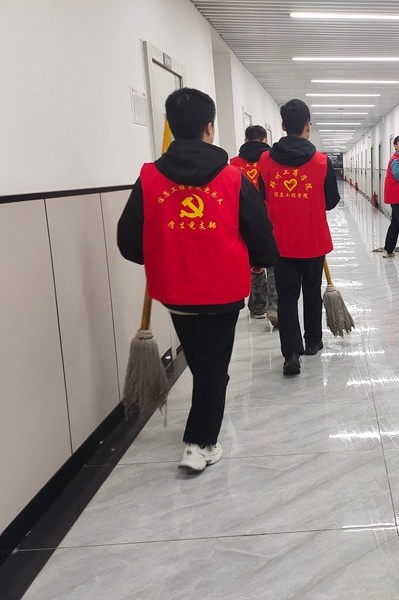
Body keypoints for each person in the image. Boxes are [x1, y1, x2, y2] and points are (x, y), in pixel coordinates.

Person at [117, 88, 278, 472]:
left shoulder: (150, 177)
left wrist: (161, 256)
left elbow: (128, 242)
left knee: (204, 361)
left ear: (172, 127)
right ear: (210, 127)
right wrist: (259, 261)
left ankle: (203, 429)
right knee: (212, 365)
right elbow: (260, 233)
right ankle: (199, 443)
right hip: (223, 290)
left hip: (175, 292)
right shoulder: (232, 178)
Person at [257, 99, 340, 375]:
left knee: (286, 298)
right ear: (308, 126)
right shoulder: (321, 161)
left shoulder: (265, 160)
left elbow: (262, 197)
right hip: (313, 240)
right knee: (312, 292)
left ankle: (291, 353)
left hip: (280, 242)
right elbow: (331, 201)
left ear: (282, 126)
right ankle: (313, 341)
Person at [230, 125, 278, 326]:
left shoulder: (233, 163)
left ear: (245, 139)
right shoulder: (272, 160)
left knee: (253, 261)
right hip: (270, 214)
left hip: (244, 217)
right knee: (273, 260)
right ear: (265, 139)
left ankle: (257, 307)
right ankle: (275, 306)